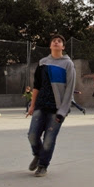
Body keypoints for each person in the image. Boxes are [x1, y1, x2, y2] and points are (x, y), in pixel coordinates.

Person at [26, 34, 76, 177]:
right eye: (54, 41)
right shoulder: (42, 63)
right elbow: (36, 86)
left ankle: (42, 165)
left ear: (63, 47)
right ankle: (38, 154)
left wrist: (63, 110)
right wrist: (32, 105)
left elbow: (70, 88)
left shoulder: (68, 64)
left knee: (49, 140)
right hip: (41, 105)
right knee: (32, 135)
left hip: (57, 108)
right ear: (50, 46)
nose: (56, 42)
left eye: (59, 41)